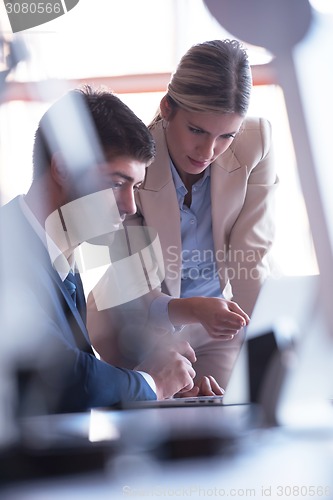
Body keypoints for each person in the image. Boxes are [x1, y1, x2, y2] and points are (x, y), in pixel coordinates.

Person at [87, 39, 279, 392]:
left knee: (223, 413)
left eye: (226, 136)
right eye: (197, 130)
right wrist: (172, 342)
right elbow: (134, 286)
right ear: (168, 109)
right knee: (160, 415)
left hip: (218, 326)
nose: (208, 151)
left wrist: (270, 345)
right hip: (134, 321)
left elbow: (251, 260)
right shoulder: (132, 164)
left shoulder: (256, 143)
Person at [0, 86, 199, 415]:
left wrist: (158, 385)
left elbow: (79, 385)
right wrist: (151, 385)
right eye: (116, 183)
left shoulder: (64, 263)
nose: (129, 206)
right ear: (62, 168)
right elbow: (59, 374)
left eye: (135, 187)